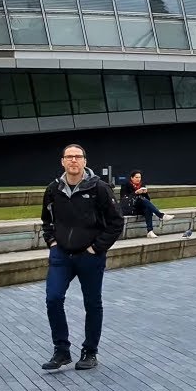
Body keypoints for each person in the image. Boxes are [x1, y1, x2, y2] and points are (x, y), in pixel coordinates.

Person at [39, 144, 125, 372]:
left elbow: (116, 222)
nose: (73, 161)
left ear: (85, 161)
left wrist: (96, 247)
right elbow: (46, 221)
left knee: (92, 303)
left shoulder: (99, 188)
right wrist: (52, 242)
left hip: (90, 256)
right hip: (61, 256)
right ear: (62, 161)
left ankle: (90, 351)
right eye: (69, 157)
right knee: (53, 299)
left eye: (78, 157)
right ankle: (61, 350)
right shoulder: (53, 189)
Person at [119, 170, 175, 238]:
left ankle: (150, 231)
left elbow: (147, 200)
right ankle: (161, 215)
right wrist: (136, 193)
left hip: (139, 208)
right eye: (136, 177)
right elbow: (124, 199)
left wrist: (144, 193)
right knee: (141, 199)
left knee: (147, 208)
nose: (138, 179)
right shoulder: (125, 185)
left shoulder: (142, 185)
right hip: (129, 208)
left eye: (139, 177)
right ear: (132, 178)